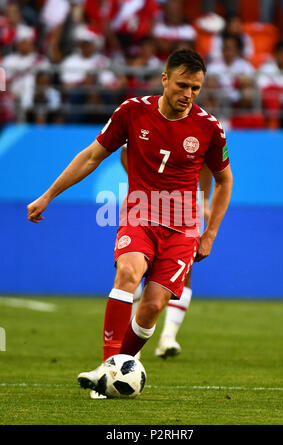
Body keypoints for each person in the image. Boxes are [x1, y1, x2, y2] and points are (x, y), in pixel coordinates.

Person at [27, 48, 233, 399]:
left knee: (152, 305)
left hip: (183, 227)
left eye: (196, 88)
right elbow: (92, 156)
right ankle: (109, 366)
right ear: (164, 79)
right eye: (182, 85)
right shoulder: (132, 111)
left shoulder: (209, 129)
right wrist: (48, 195)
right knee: (128, 273)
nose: (188, 95)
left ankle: (117, 370)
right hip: (140, 214)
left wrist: (210, 232)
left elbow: (225, 180)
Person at [120, 144, 213, 358]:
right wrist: (144, 183)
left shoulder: (201, 126)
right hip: (146, 207)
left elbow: (209, 165)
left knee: (183, 275)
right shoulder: (143, 115)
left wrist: (205, 200)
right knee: (133, 270)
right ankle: (131, 339)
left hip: (182, 209)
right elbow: (125, 152)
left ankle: (168, 336)